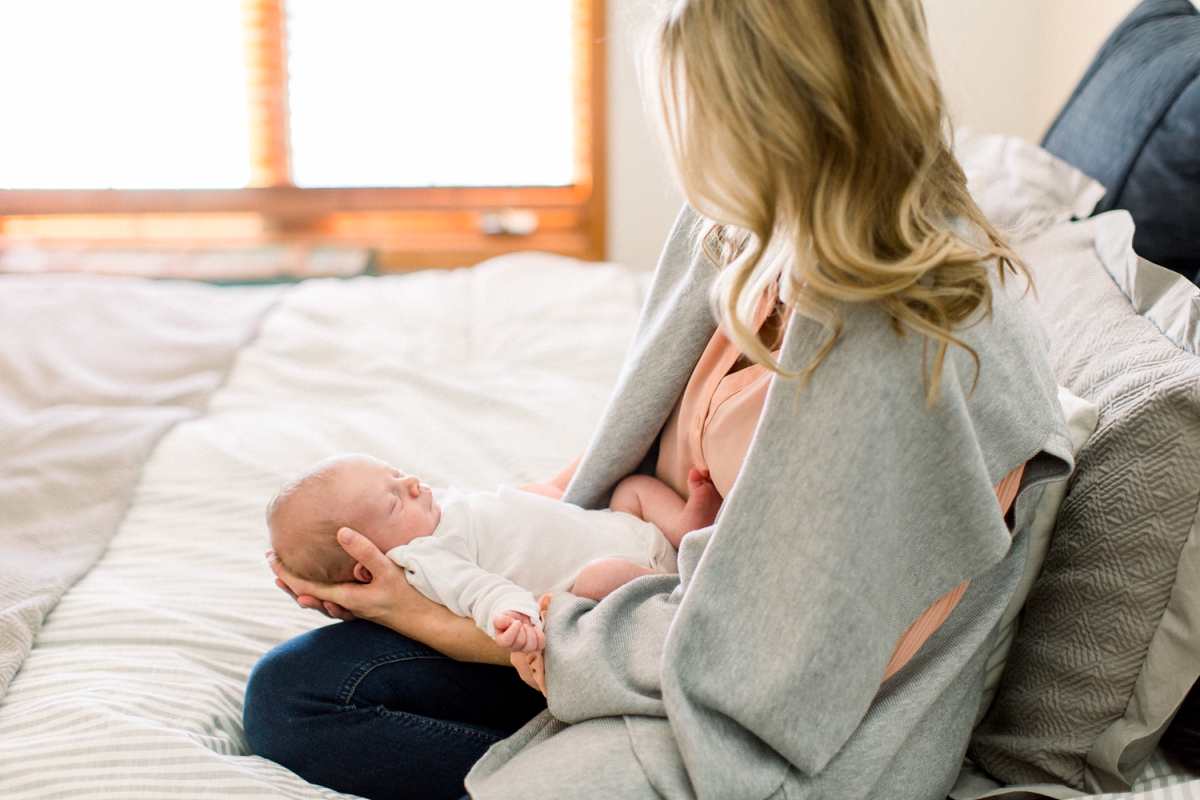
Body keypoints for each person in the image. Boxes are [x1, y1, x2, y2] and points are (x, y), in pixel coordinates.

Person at [243, 1, 1074, 798]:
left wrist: (465, 627)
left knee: (311, 707)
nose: (685, 150)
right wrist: (467, 557)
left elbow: (761, 663)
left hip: (755, 720)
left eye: (695, 112)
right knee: (295, 691)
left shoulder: (895, 338)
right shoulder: (743, 229)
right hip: (639, 610)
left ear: (776, 114)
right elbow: (642, 449)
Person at [266, 454, 723, 653]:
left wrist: (535, 497)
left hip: (624, 527)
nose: (412, 486)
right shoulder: (424, 559)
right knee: (596, 579)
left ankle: (686, 531)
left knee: (632, 489)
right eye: (393, 501)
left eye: (398, 475)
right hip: (622, 570)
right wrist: (512, 615)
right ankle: (679, 588)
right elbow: (481, 590)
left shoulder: (431, 513)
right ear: (370, 565)